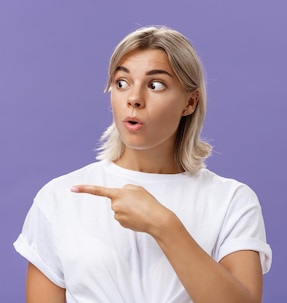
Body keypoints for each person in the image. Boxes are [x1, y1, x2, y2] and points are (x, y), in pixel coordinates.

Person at [13, 26, 272, 303]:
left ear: (190, 102)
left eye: (155, 85)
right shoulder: (59, 197)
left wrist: (164, 225)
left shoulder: (231, 201)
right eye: (122, 83)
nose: (134, 99)